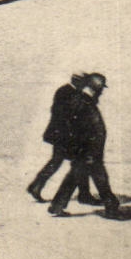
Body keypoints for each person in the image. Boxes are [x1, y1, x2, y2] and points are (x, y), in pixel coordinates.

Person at [48, 73, 125, 218]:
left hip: (84, 150)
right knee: (101, 180)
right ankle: (111, 208)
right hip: (89, 151)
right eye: (101, 88)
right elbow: (87, 128)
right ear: (96, 88)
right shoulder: (84, 102)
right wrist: (88, 151)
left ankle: (57, 205)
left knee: (74, 176)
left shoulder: (82, 100)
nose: (102, 92)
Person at [26, 74, 103, 205]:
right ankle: (37, 186)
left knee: (74, 162)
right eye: (83, 82)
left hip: (65, 135)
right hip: (63, 135)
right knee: (71, 162)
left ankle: (83, 194)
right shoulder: (66, 91)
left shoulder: (72, 91)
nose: (84, 85)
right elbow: (62, 114)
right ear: (77, 81)